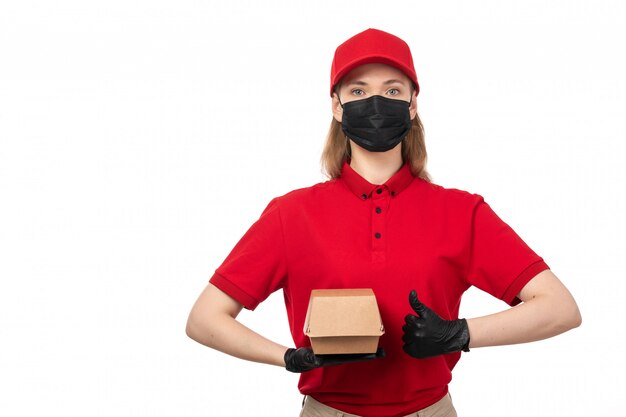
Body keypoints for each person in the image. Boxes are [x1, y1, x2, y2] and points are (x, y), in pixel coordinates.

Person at [186, 28, 582, 417]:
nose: (376, 101)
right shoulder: (291, 214)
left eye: (392, 90)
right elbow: (205, 319)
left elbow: (560, 308)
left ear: (412, 105)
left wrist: (459, 334)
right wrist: (289, 357)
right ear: (337, 106)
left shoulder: (463, 212)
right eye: (358, 91)